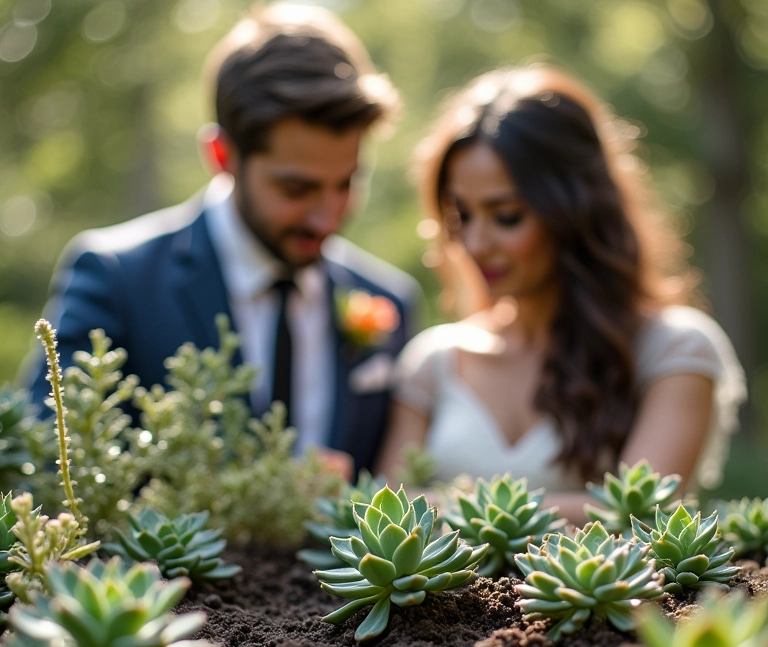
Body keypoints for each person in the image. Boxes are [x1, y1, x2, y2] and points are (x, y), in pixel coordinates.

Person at [24, 3, 422, 478]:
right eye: (297, 189)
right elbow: (50, 462)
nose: (327, 218)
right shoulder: (116, 279)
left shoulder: (388, 300)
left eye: (348, 183)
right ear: (221, 154)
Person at [376, 64, 746, 523]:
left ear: (575, 210)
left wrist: (443, 508)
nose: (475, 244)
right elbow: (383, 516)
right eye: (461, 216)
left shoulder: (674, 349)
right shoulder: (433, 363)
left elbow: (646, 517)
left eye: (506, 216)